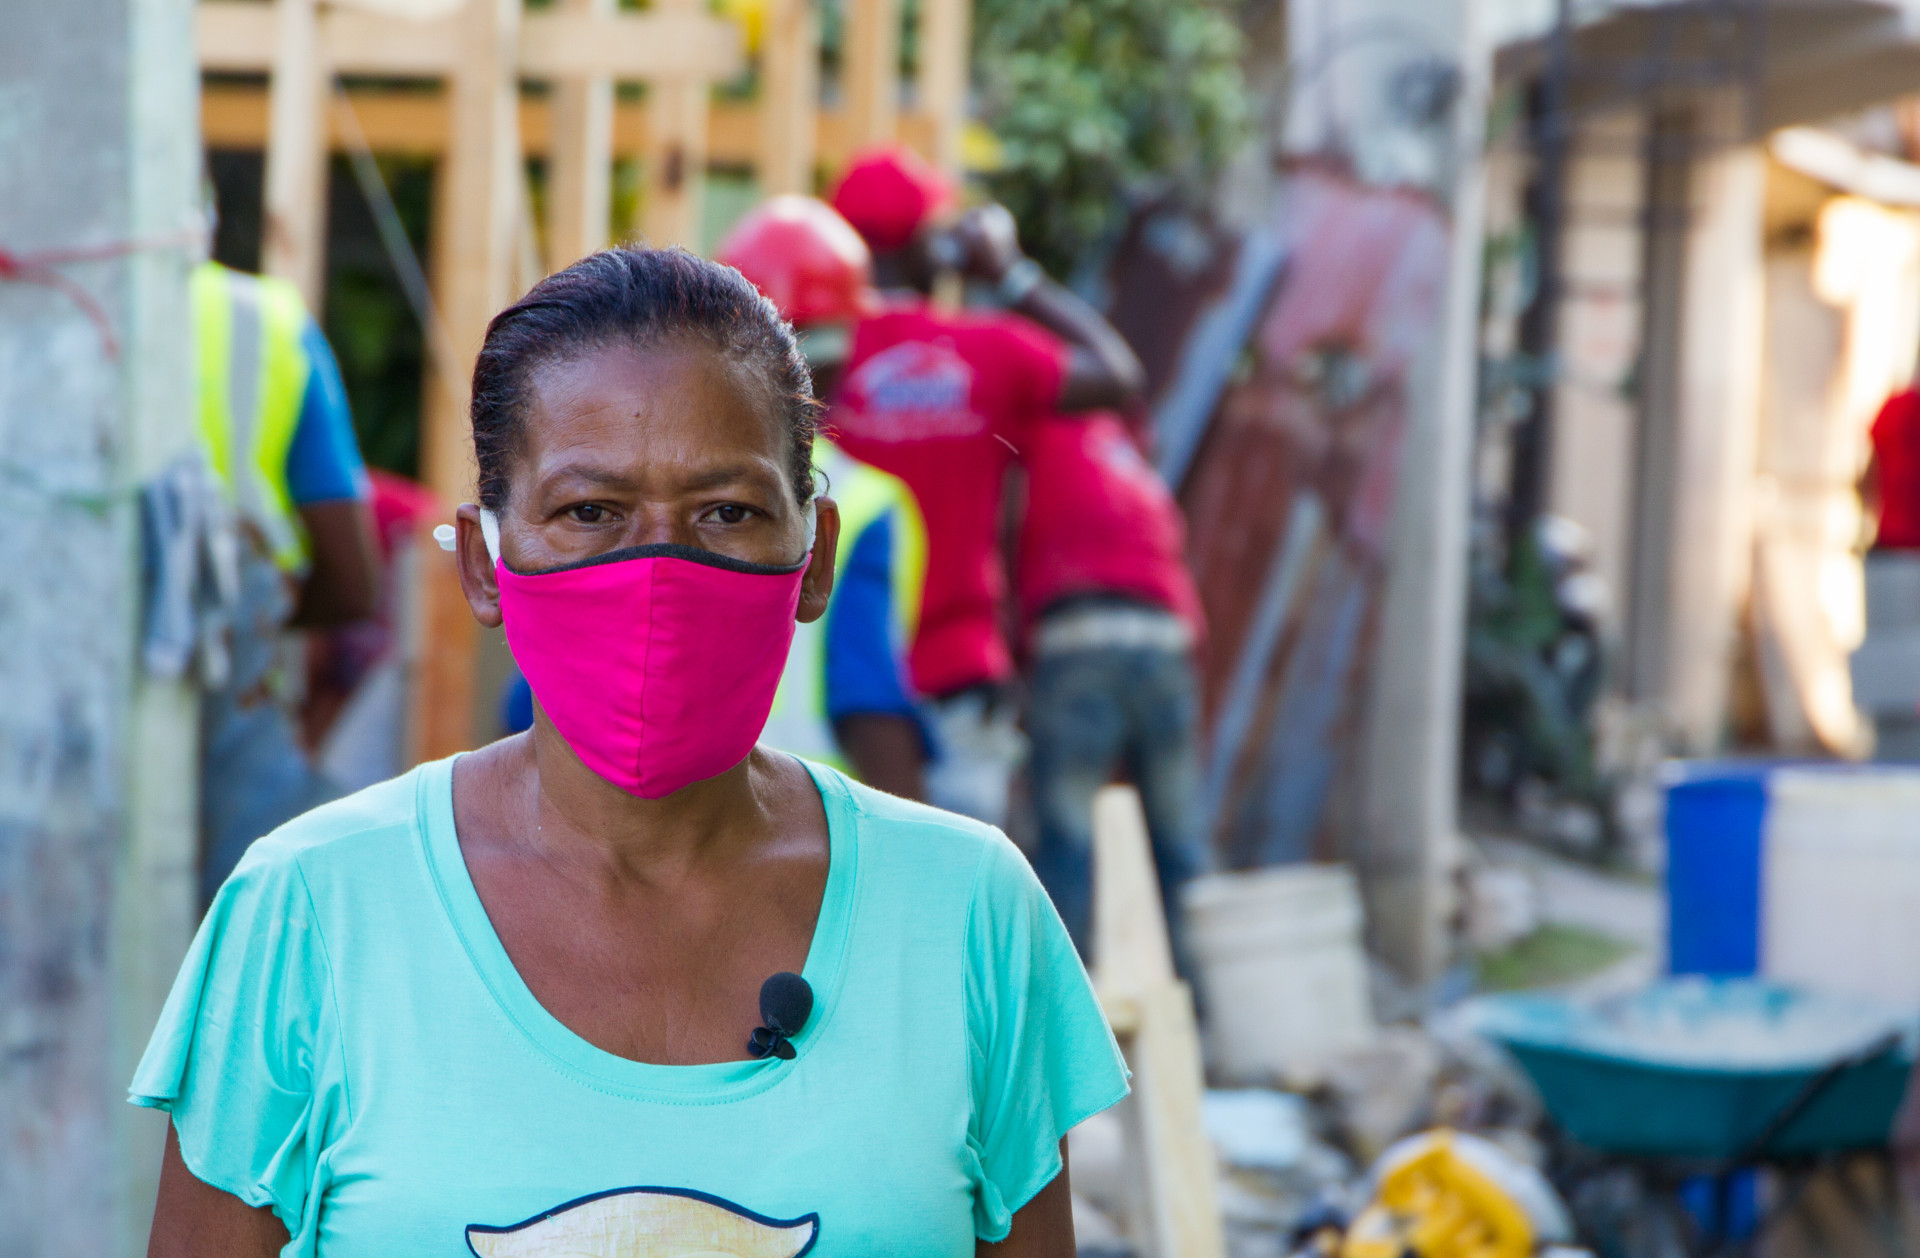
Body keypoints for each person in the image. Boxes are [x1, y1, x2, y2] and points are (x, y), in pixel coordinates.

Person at [137, 247, 1126, 1257]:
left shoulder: (966, 911)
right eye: (589, 512)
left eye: (727, 512)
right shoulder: (311, 910)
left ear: (815, 557)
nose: (658, 570)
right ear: (483, 564)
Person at [825, 148, 1147, 825]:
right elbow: (1118, 375)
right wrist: (1012, 274)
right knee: (967, 879)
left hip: (849, 686)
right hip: (959, 680)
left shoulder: (819, 361)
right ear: (931, 247)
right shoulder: (991, 349)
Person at [192, 259, 380, 904]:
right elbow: (352, 583)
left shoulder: (36, 290)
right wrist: (248, 610)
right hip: (233, 675)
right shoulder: (260, 321)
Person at [1017, 413, 1209, 981]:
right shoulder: (1126, 455)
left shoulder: (1038, 435)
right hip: (1165, 643)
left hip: (1077, 642)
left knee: (1069, 837)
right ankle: (1198, 1004)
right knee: (1177, 840)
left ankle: (1058, 1004)